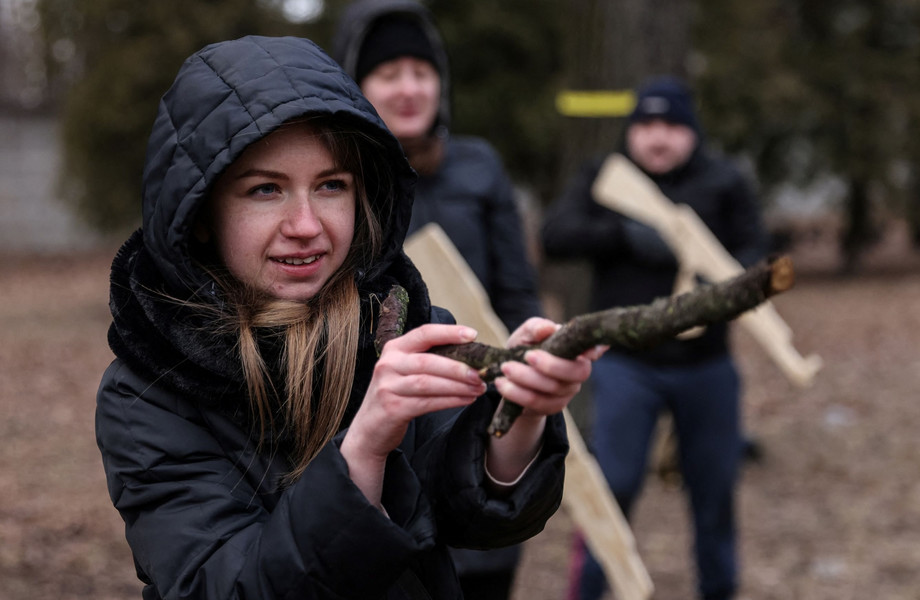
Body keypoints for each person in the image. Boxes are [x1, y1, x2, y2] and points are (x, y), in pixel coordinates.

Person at [96, 35, 601, 599]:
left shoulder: (399, 323)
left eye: (331, 186)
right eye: (266, 190)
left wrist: (521, 413)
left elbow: (474, 511)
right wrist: (364, 448)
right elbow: (223, 585)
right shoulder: (148, 390)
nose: (306, 224)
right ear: (201, 215)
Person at [330, 3, 544, 597]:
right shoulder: (336, 181)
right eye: (389, 73)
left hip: (475, 400)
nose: (409, 88)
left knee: (486, 557)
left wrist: (524, 379)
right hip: (377, 409)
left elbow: (516, 286)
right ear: (357, 83)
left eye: (421, 71)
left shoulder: (479, 167)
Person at [542, 76, 770, 600]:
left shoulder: (724, 181)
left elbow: (758, 254)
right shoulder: (605, 175)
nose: (658, 138)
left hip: (706, 365)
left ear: (692, 132)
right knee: (612, 487)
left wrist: (710, 270)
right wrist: (622, 235)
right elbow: (556, 234)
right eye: (646, 125)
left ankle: (719, 590)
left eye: (671, 126)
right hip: (625, 364)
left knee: (714, 496)